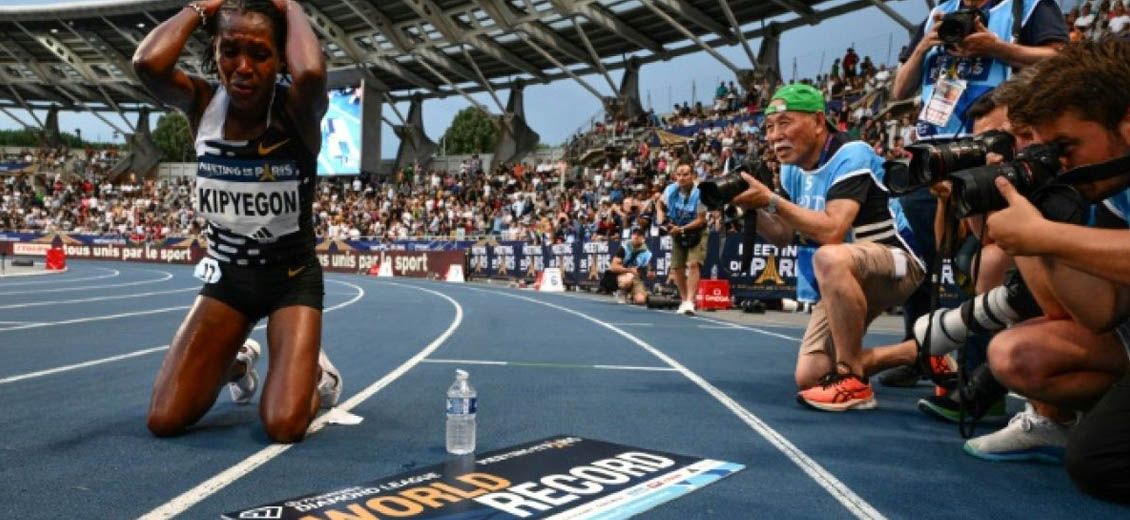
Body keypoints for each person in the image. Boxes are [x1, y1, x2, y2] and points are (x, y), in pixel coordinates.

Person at [134, 0, 342, 443]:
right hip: (228, 282)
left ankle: (317, 375)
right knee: (164, 419)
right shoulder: (203, 104)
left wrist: (290, 6)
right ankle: (240, 359)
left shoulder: (296, 111)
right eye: (230, 51)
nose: (243, 67)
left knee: (284, 424)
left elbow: (310, 74)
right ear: (215, 51)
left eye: (260, 54)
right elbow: (148, 64)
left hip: (291, 281)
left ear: (280, 57)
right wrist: (199, 7)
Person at [961, 42, 1130, 496]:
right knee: (1096, 460)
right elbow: (1098, 314)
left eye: (1066, 145)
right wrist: (1032, 219)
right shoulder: (1110, 184)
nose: (1060, 161)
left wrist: (1048, 237)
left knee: (1102, 460)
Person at [732, 84, 925, 411]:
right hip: (844, 269)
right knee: (811, 375)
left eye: (784, 123)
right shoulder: (792, 169)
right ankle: (919, 352)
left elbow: (834, 229)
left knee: (830, 255)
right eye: (768, 127)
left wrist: (771, 200)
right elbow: (783, 236)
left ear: (819, 122)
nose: (774, 135)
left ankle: (853, 381)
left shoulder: (852, 153)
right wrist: (748, 211)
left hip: (897, 262)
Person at [656, 159, 707, 316]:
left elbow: (701, 219)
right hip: (676, 229)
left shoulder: (701, 193)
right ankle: (684, 300)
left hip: (697, 231)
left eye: (685, 174)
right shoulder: (670, 190)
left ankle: (690, 302)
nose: (682, 178)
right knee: (677, 267)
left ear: (692, 175)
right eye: (678, 175)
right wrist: (661, 220)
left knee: (693, 264)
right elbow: (659, 204)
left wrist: (682, 229)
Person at [604, 227, 653, 305]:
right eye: (634, 234)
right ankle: (621, 292)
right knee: (627, 280)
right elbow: (613, 267)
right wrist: (629, 270)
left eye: (639, 235)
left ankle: (631, 295)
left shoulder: (647, 253)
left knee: (641, 301)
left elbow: (649, 270)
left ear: (643, 239)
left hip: (636, 278)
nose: (636, 236)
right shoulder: (624, 248)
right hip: (622, 275)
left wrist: (650, 273)